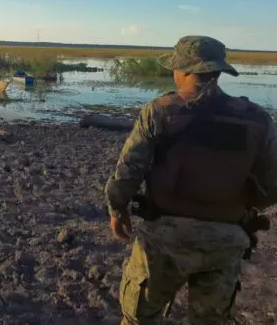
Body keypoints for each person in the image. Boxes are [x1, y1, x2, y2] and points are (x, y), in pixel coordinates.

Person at [105, 35, 277, 324]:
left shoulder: (159, 110)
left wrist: (117, 209)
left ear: (184, 70)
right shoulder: (257, 119)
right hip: (226, 239)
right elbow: (271, 187)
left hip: (163, 238)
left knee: (138, 318)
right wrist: (239, 210)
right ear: (218, 71)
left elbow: (128, 172)